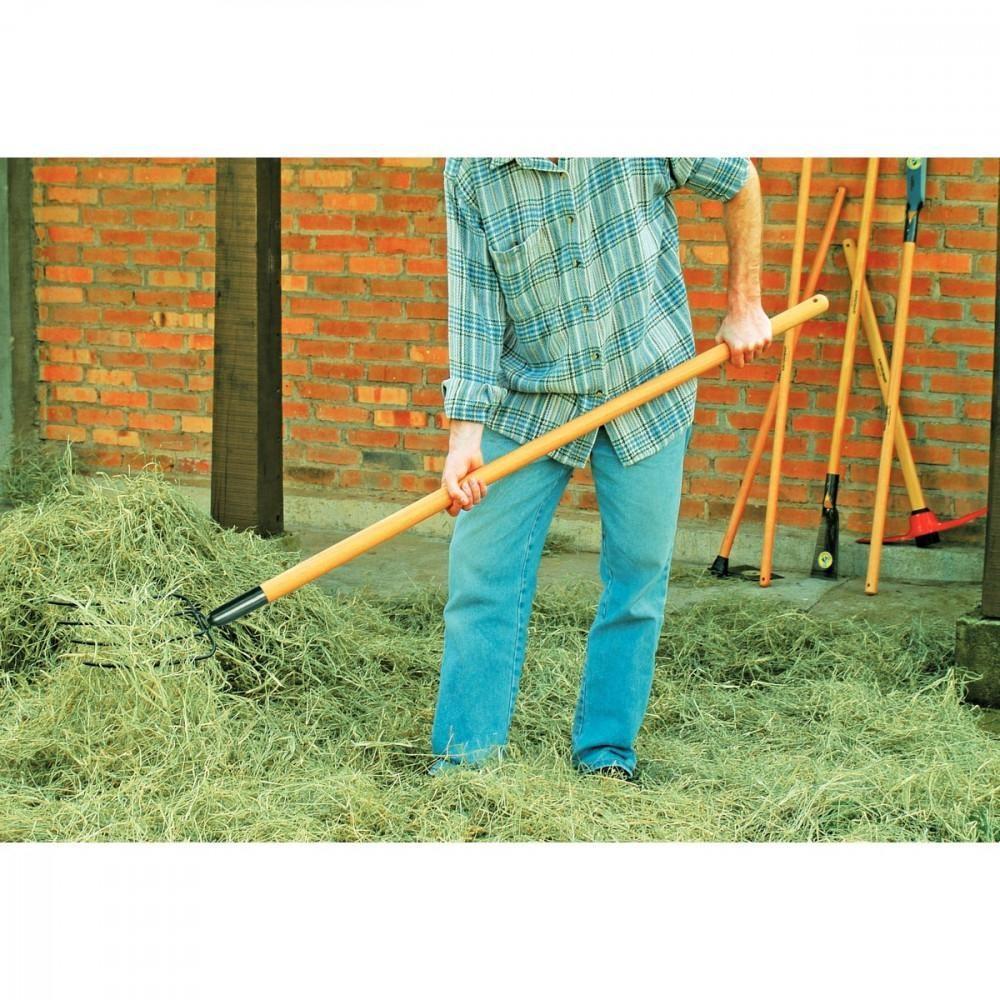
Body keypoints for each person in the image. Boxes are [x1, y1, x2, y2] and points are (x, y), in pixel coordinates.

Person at [431, 157, 770, 779]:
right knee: (482, 573)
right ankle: (465, 762)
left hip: (648, 384)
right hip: (531, 396)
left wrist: (744, 303)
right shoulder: (473, 167)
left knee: (637, 578)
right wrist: (464, 438)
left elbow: (740, 178)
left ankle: (607, 752)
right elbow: (474, 307)